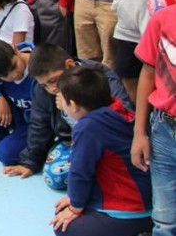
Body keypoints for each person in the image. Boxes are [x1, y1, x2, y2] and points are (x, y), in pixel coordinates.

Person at [15, 44, 134, 193]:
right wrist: (30, 162)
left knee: (102, 170)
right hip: (71, 140)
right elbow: (39, 124)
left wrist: (76, 112)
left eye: (53, 80)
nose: (52, 89)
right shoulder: (44, 89)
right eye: (44, 85)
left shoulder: (100, 77)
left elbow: (122, 118)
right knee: (54, 175)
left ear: (70, 65)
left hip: (104, 141)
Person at [50, 66, 152, 236]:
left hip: (130, 211)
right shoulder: (119, 108)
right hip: (150, 201)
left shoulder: (88, 127)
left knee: (62, 226)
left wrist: (75, 206)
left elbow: (80, 171)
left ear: (73, 105)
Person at [132, 4, 176, 236]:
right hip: (164, 131)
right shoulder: (162, 19)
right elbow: (148, 74)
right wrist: (139, 133)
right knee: (164, 221)